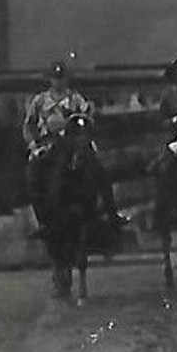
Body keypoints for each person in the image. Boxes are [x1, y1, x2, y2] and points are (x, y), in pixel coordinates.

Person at [23, 62, 124, 239]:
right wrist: (32, 145)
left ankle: (112, 214)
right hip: (47, 144)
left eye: (62, 78)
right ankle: (43, 222)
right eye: (55, 78)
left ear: (67, 79)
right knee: (33, 175)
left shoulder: (76, 99)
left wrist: (86, 127)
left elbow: (87, 119)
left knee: (99, 171)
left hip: (73, 141)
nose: (59, 82)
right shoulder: (39, 101)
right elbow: (28, 126)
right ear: (50, 80)